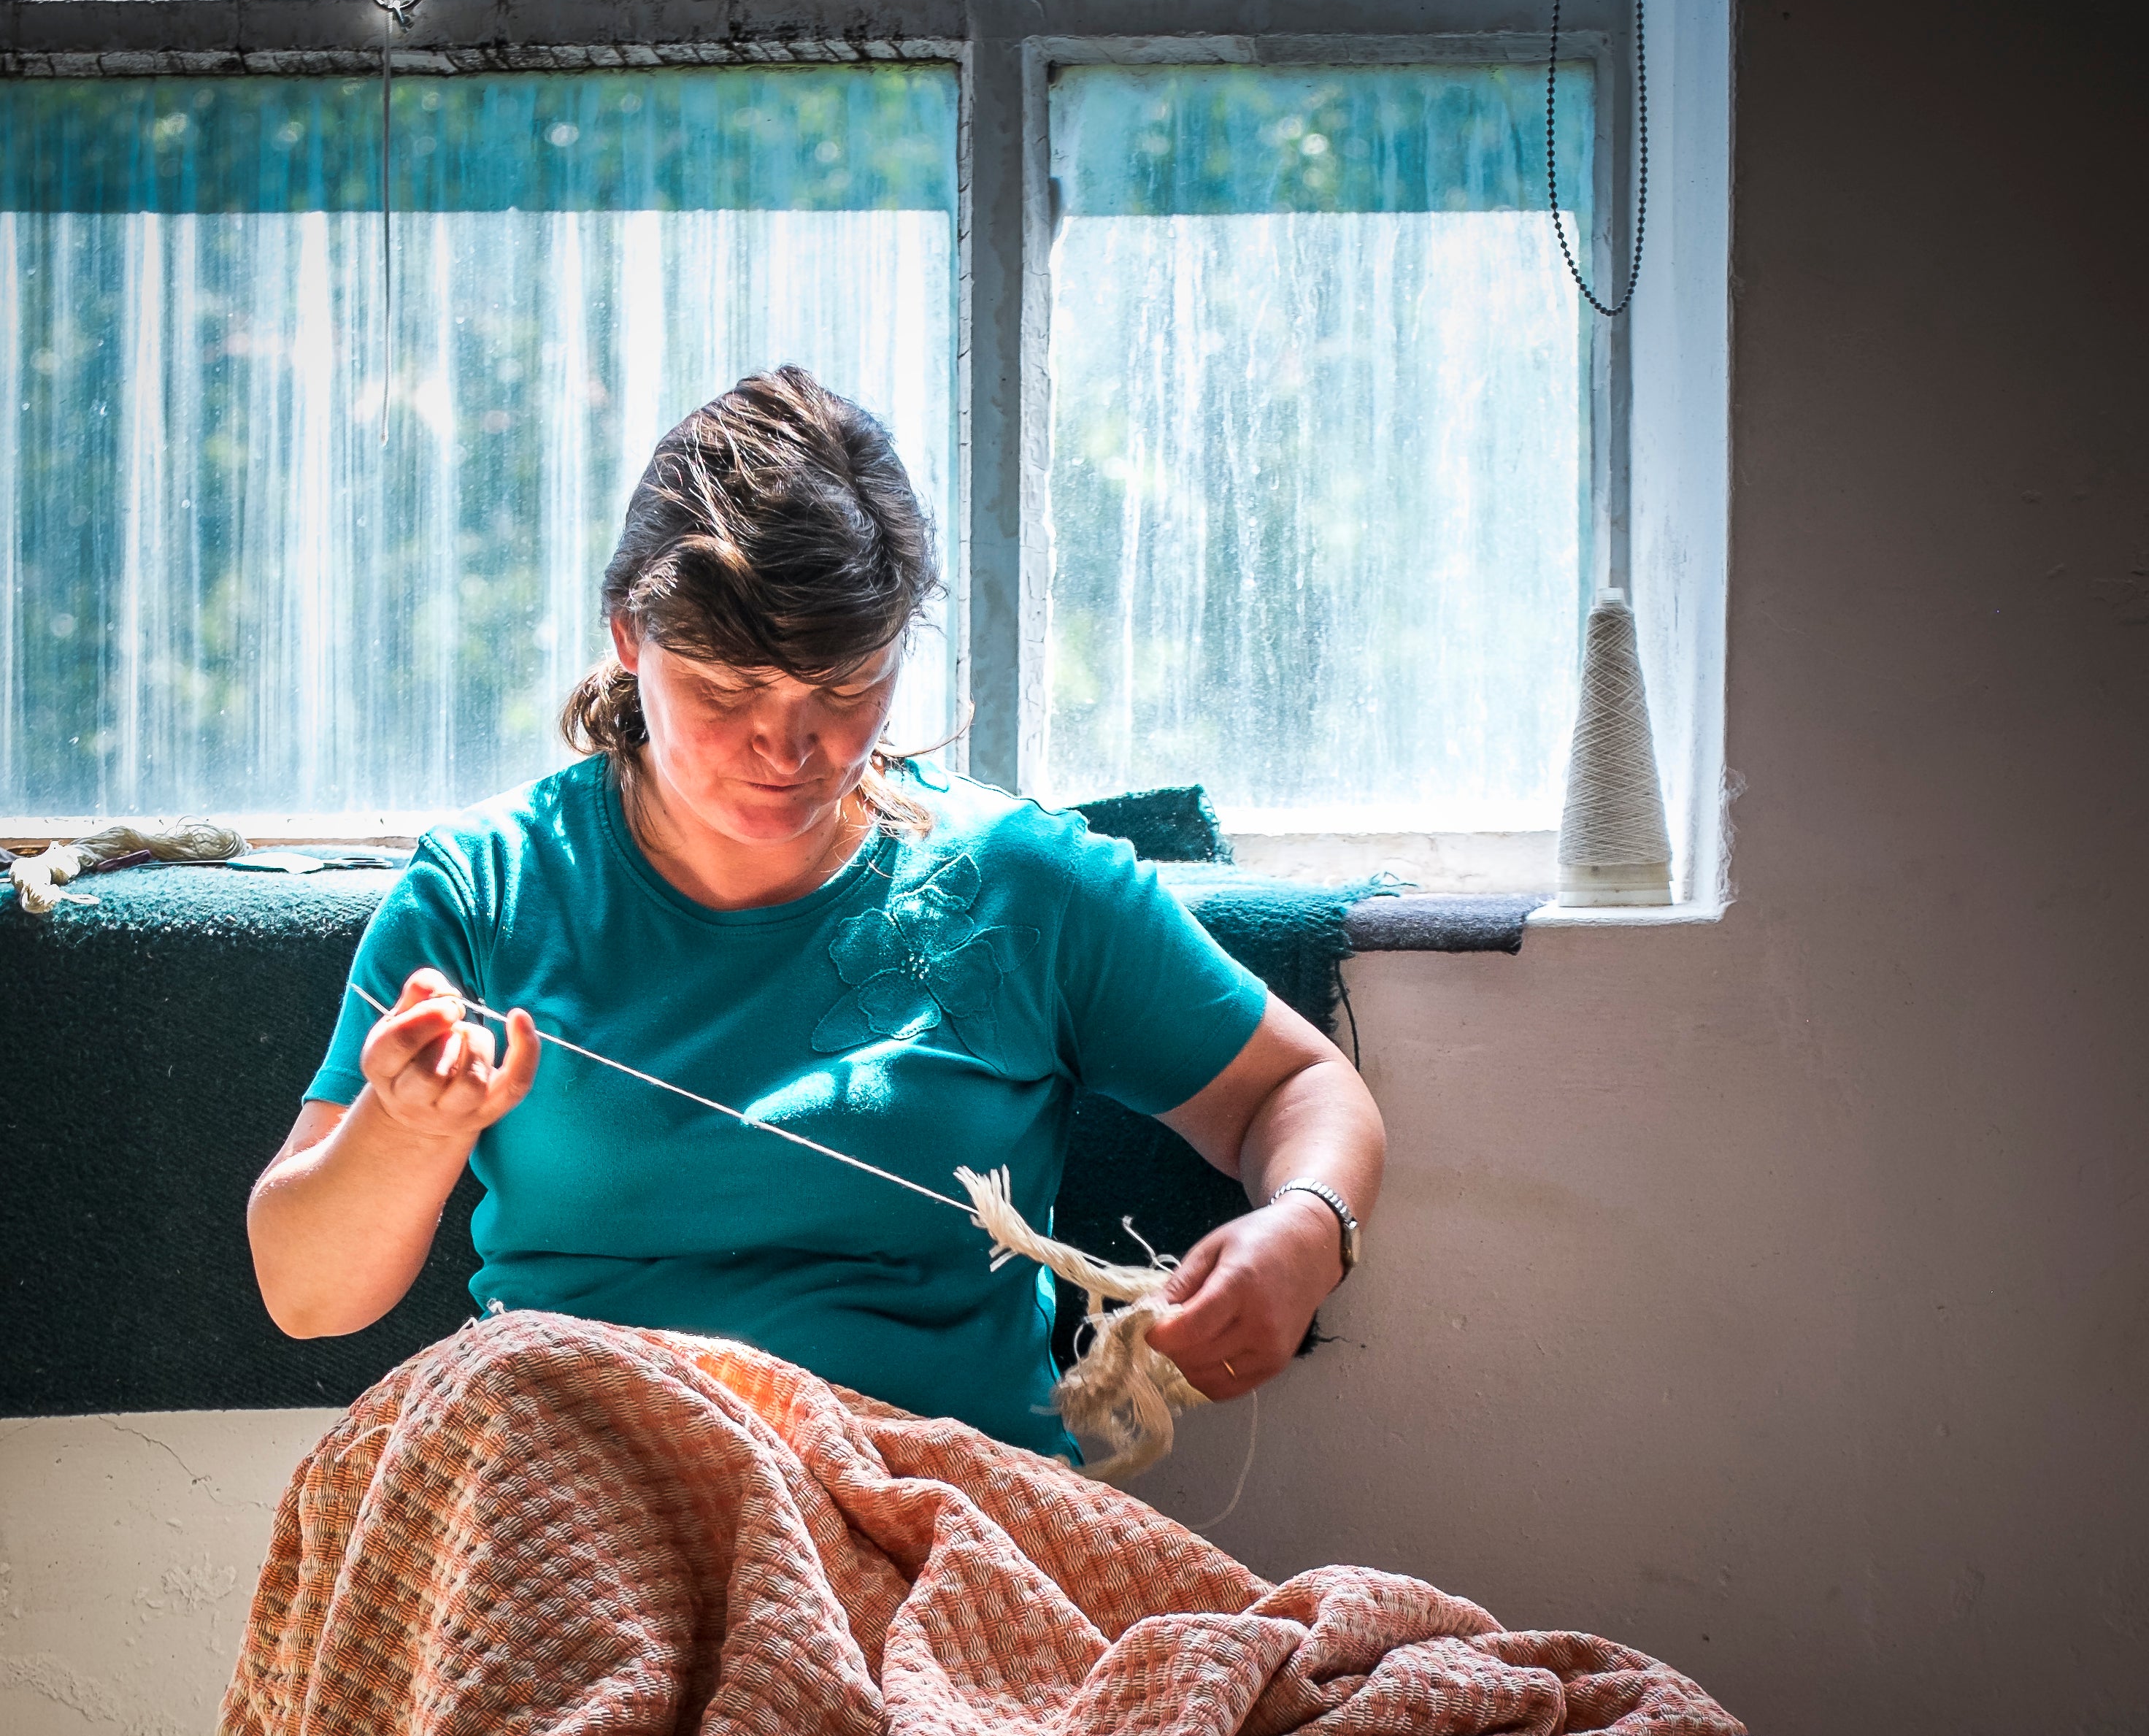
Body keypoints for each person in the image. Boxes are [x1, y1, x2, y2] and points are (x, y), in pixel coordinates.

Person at [249, 367, 1384, 1459]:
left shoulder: (1023, 886)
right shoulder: (486, 893)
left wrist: (1307, 1230)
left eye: (845, 690)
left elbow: (1294, 1087)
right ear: (628, 637)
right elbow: (307, 1295)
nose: (789, 748)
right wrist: (407, 1127)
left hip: (927, 1524)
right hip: (589, 1515)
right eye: (726, 692)